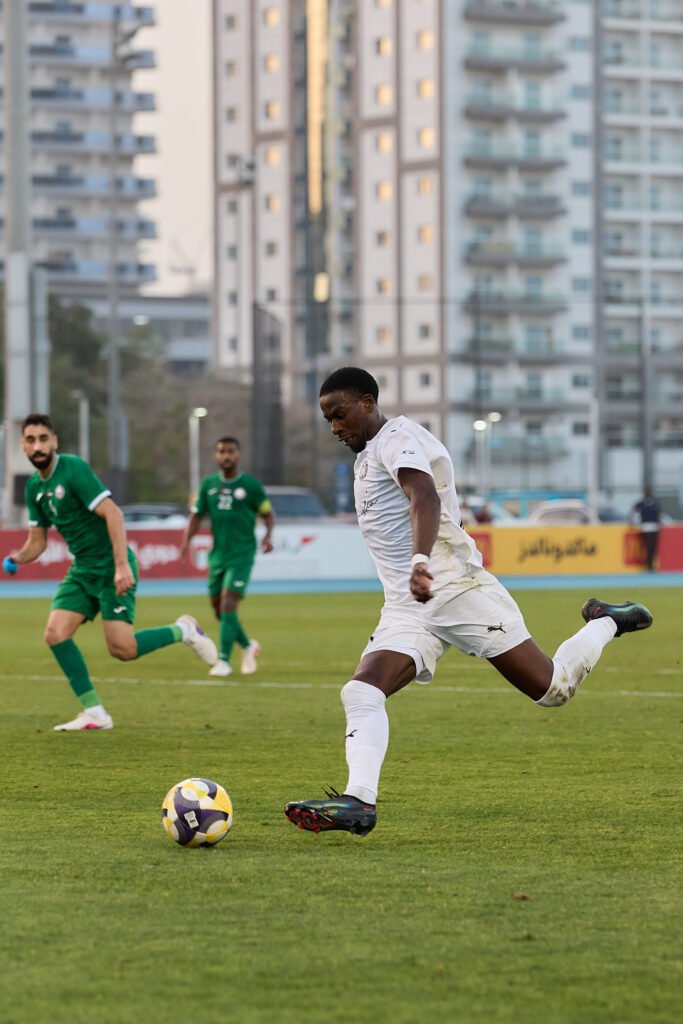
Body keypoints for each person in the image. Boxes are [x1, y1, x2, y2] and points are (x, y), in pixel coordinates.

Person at [284, 368, 653, 837]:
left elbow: (423, 496)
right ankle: (359, 802)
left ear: (368, 402)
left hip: (453, 588)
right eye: (328, 420)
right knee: (361, 691)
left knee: (553, 689)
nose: (335, 427)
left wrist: (420, 561)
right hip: (408, 605)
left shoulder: (398, 438)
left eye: (340, 415)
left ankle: (606, 621)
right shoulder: (367, 457)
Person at [2, 414, 218, 731]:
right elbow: (38, 541)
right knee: (55, 634)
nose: (38, 446)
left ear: (55, 441)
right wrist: (18, 557)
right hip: (82, 570)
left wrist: (120, 565)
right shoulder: (34, 487)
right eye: (31, 440)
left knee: (123, 649)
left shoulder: (73, 469)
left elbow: (113, 513)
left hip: (111, 565)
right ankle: (95, 713)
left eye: (43, 439)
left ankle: (184, 630)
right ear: (22, 445)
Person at [180, 436, 274, 677]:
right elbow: (196, 515)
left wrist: (268, 536)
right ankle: (247, 645)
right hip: (218, 555)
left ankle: (223, 660)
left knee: (228, 602)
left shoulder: (251, 486)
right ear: (216, 456)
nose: (226, 456)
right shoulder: (208, 485)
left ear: (238, 454)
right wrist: (186, 541)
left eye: (231, 451)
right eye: (221, 451)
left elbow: (267, 513)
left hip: (242, 554)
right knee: (219, 609)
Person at [631, 488, 661, 572]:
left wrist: (658, 523)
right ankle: (648, 565)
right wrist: (633, 522)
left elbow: (658, 514)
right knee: (648, 546)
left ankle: (651, 564)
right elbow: (634, 512)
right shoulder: (641, 503)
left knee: (653, 547)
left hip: (654, 527)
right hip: (646, 527)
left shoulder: (655, 503)